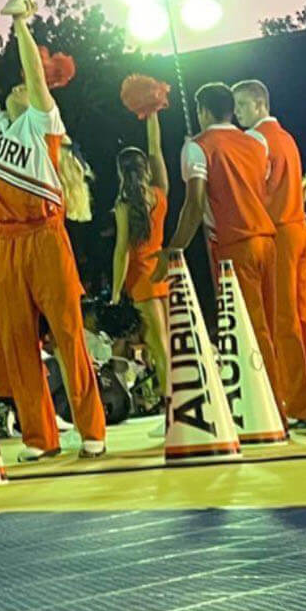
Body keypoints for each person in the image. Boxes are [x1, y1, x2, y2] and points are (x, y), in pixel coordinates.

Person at [0, 10, 105, 462]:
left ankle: (91, 429)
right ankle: (39, 436)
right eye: (14, 86)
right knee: (17, 342)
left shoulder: (42, 123)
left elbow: (32, 72)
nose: (16, 87)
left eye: (25, 85)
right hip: (4, 241)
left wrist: (21, 24)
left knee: (68, 333)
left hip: (45, 236)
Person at [158, 82, 284, 411]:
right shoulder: (257, 141)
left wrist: (174, 248)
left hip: (234, 244)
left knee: (246, 329)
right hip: (267, 240)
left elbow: (195, 204)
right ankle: (276, 401)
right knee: (269, 329)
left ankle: (266, 410)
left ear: (202, 111)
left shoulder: (197, 147)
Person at [232, 79, 306, 427]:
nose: (237, 113)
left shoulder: (255, 139)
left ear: (260, 104)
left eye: (242, 105)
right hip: (300, 228)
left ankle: (298, 405)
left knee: (284, 322)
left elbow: (251, 190)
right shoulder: (286, 137)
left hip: (279, 233)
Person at [110, 105, 170, 398]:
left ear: (122, 172)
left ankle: (171, 402)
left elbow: (121, 252)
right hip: (162, 272)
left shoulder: (124, 205)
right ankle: (169, 396)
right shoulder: (159, 193)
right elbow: (156, 148)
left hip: (140, 279)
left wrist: (115, 293)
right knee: (164, 342)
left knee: (160, 348)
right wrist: (152, 112)